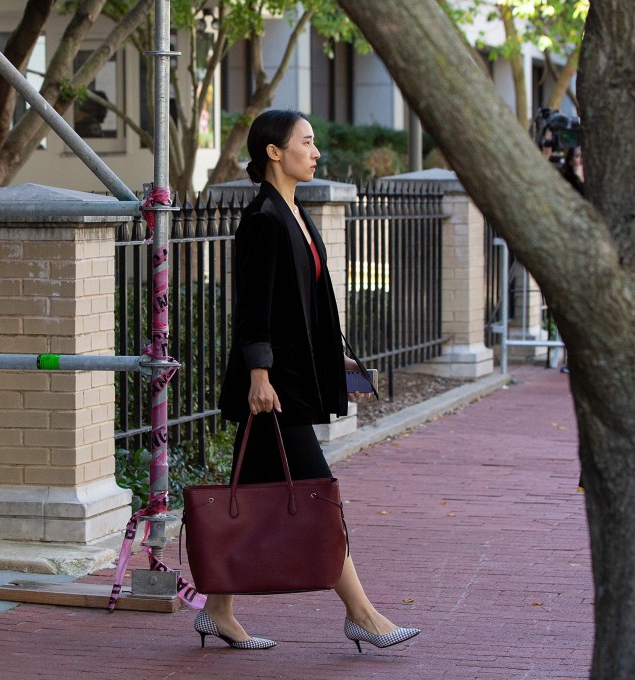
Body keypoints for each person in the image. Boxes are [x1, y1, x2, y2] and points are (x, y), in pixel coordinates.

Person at [197, 109, 421, 653]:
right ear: (274, 151)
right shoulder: (263, 219)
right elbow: (254, 308)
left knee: (246, 503)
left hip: (292, 379)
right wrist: (258, 373)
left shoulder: (296, 213)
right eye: (306, 142)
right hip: (273, 389)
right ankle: (362, 614)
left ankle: (218, 611)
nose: (316, 152)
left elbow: (308, 307)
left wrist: (335, 359)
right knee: (320, 498)